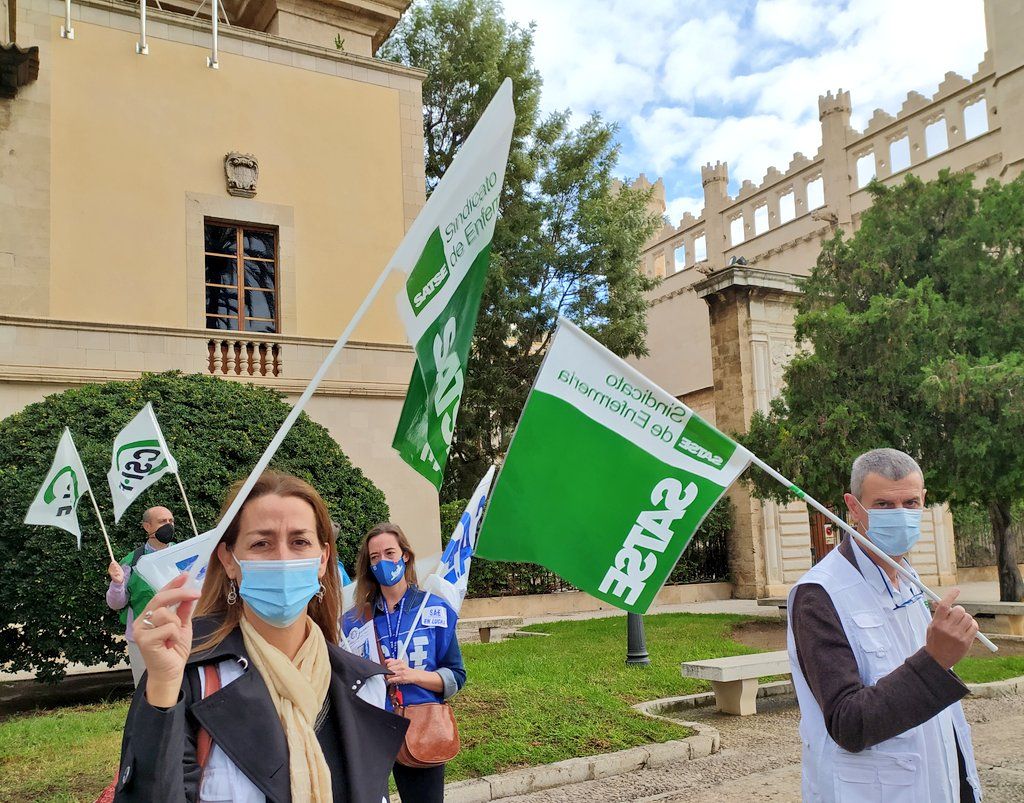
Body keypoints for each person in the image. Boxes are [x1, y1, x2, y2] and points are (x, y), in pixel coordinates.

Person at [113, 470, 408, 802]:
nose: (282, 558)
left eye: (300, 542)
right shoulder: (188, 678)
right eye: (261, 543)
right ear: (229, 560)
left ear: (322, 559)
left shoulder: (362, 682)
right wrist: (163, 693)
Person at [788, 448, 982, 802]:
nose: (901, 515)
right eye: (883, 505)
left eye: (910, 503)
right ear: (853, 507)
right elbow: (848, 723)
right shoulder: (819, 594)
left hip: (939, 783)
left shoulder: (909, 579)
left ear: (923, 500)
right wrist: (936, 660)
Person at [343, 523, 466, 803]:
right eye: (375, 557)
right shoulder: (353, 621)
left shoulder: (433, 609)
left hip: (421, 726)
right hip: (369, 729)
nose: (383, 562)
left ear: (405, 556)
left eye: (389, 553)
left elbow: (456, 675)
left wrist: (413, 676)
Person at [106, 506, 177, 686]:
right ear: (147, 527)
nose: (168, 525)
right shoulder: (132, 562)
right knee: (147, 692)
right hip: (143, 639)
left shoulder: (184, 554)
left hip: (179, 634)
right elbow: (116, 603)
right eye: (162, 522)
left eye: (171, 521)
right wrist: (117, 583)